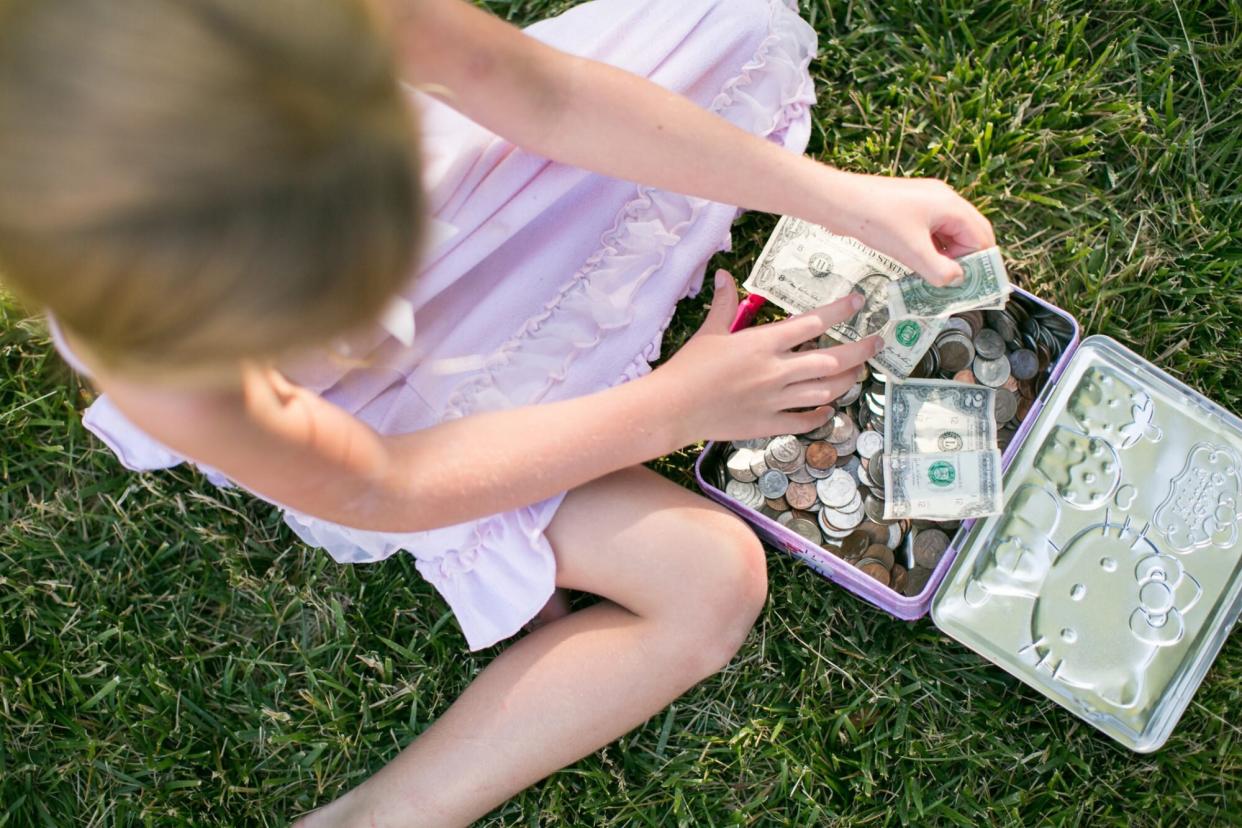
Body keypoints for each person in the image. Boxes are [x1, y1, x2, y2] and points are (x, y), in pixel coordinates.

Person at [0, 0, 994, 823]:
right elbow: (382, 483)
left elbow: (544, 93)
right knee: (707, 580)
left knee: (736, 23)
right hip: (388, 427)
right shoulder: (164, 361)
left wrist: (840, 198)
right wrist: (672, 407)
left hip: (452, 186)